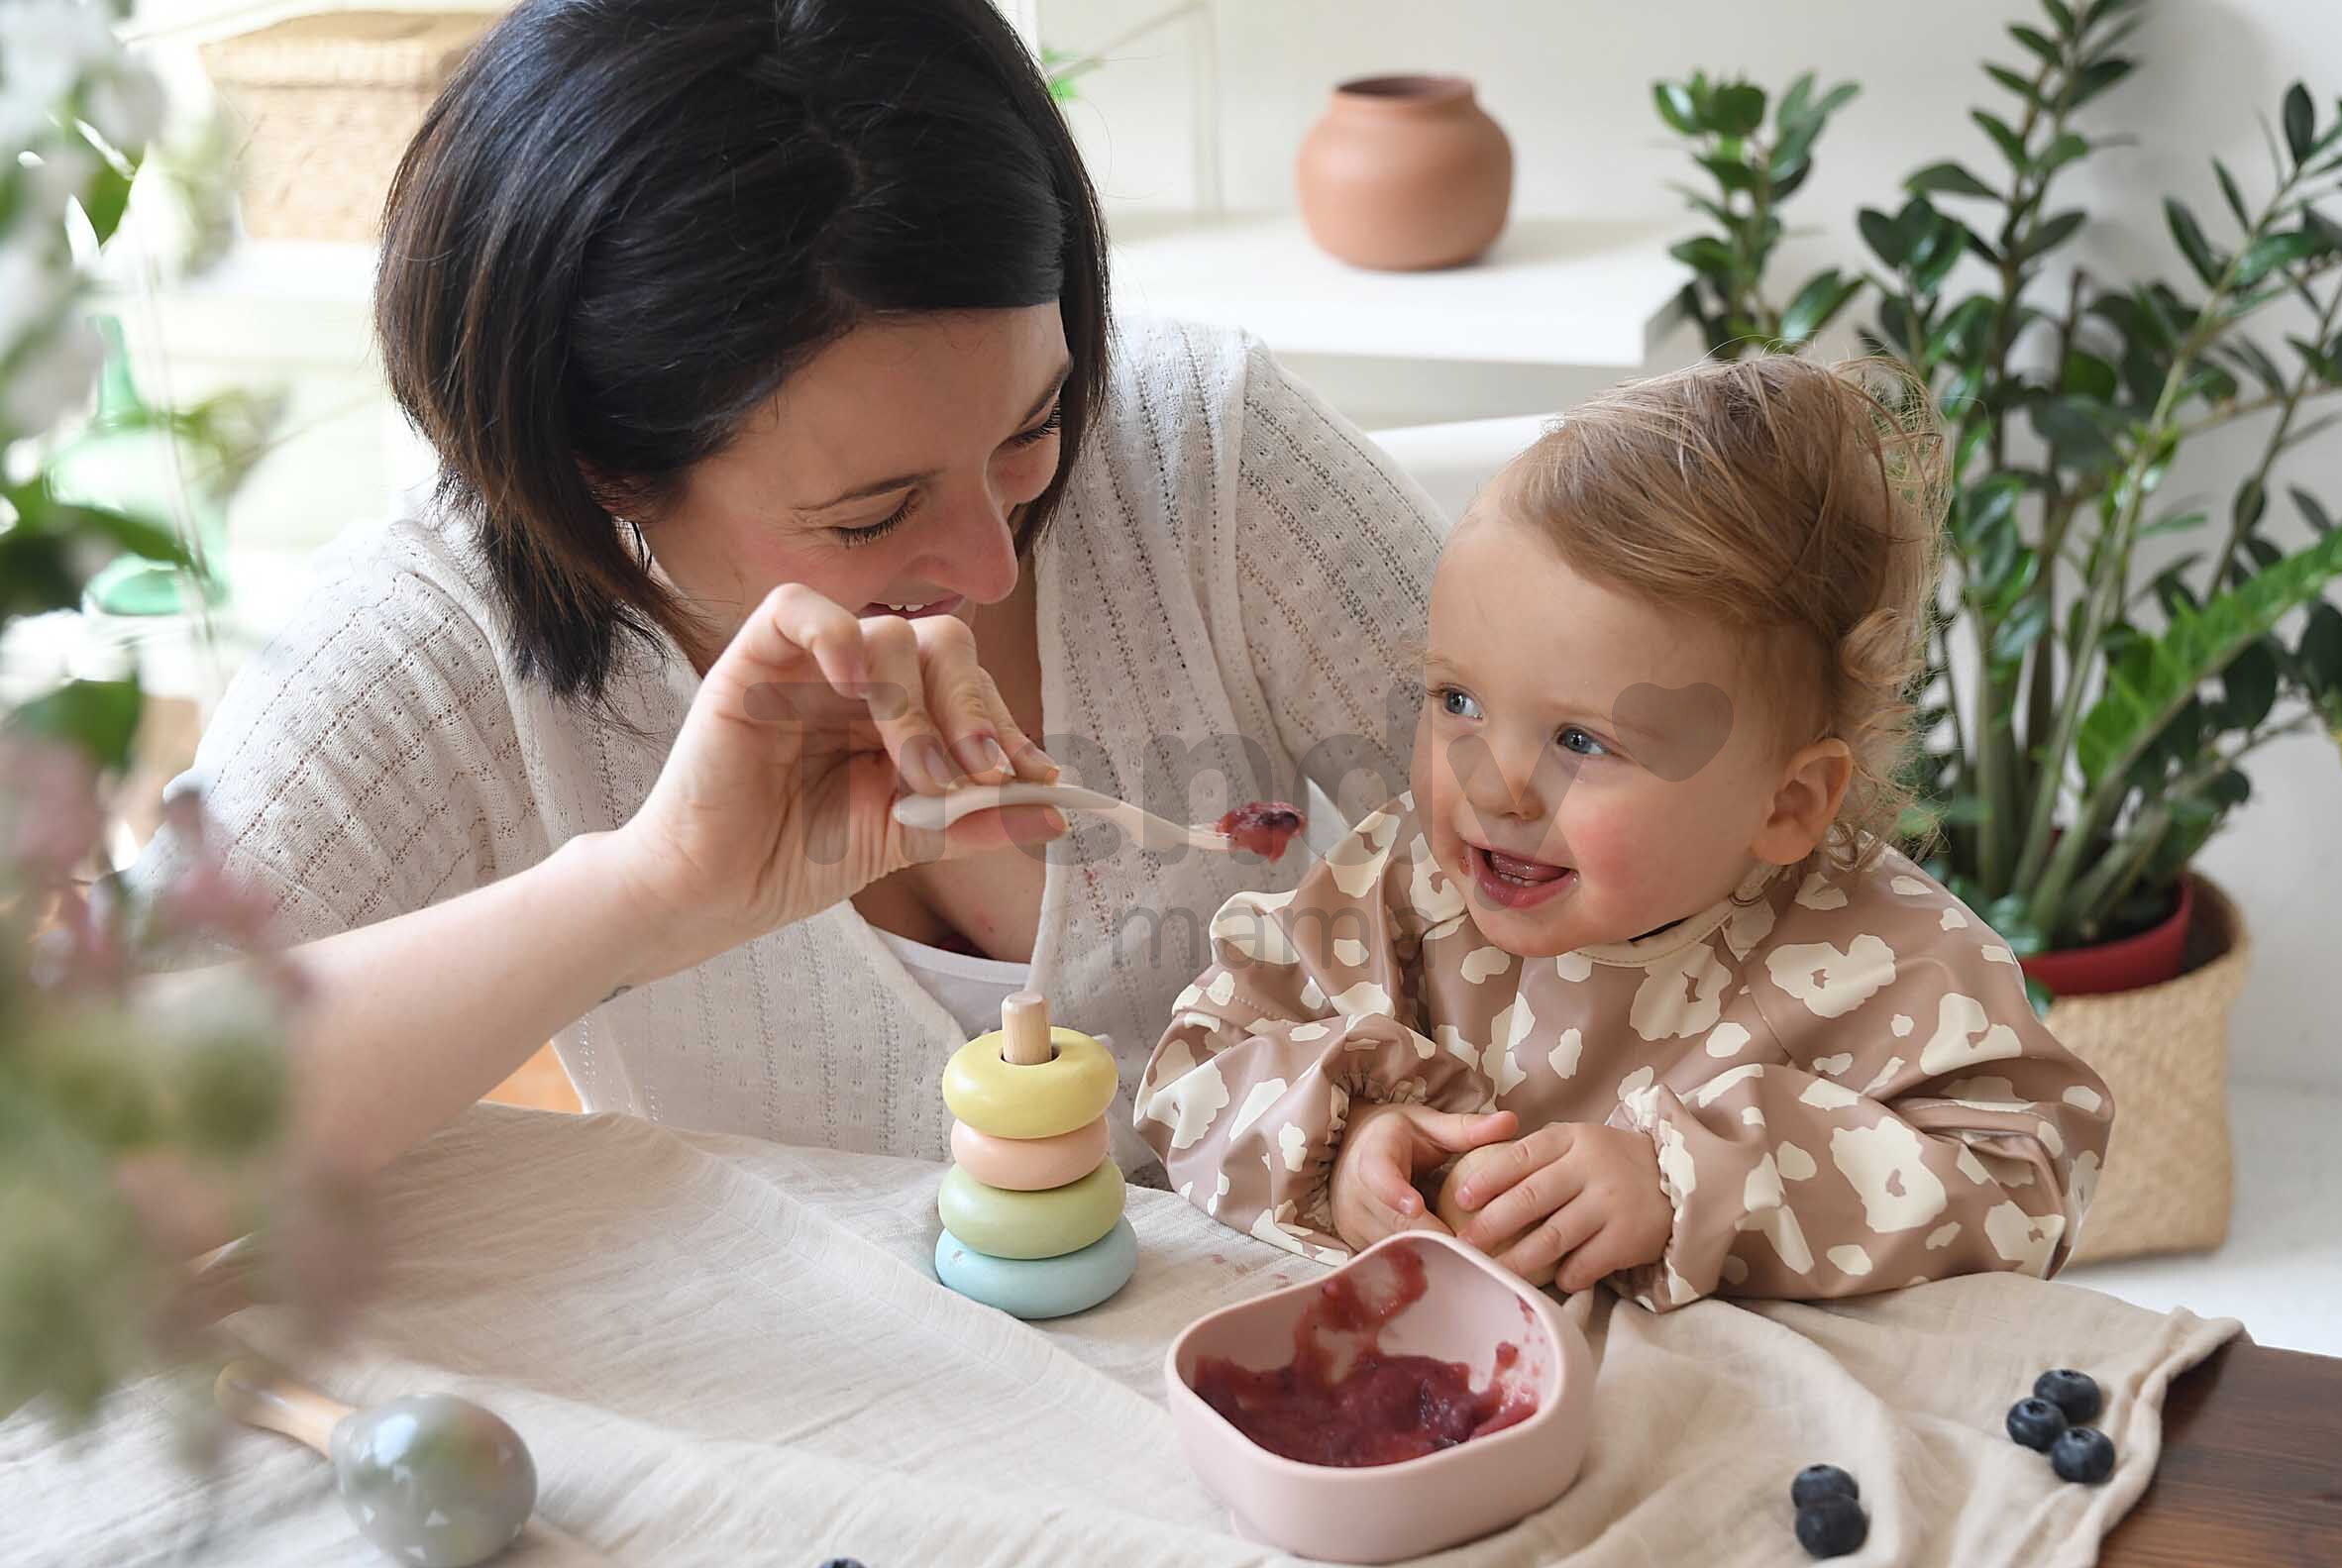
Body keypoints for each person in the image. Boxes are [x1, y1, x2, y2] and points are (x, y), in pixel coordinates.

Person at [130, 0, 1440, 1186]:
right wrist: (643, 895)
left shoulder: (1201, 453)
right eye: (875, 511)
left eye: (1032, 428)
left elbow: (1550, 819)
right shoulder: (441, 641)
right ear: (605, 468)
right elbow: (80, 1146)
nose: (991, 564)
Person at [1133, 357, 2114, 1307]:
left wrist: (1691, 1182)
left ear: (1787, 804)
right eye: (1458, 700)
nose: (1494, 785)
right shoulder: (1399, 888)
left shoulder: (1888, 970)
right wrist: (1338, 1147)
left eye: (1579, 740)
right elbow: (1193, 1067)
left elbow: (2025, 1183)